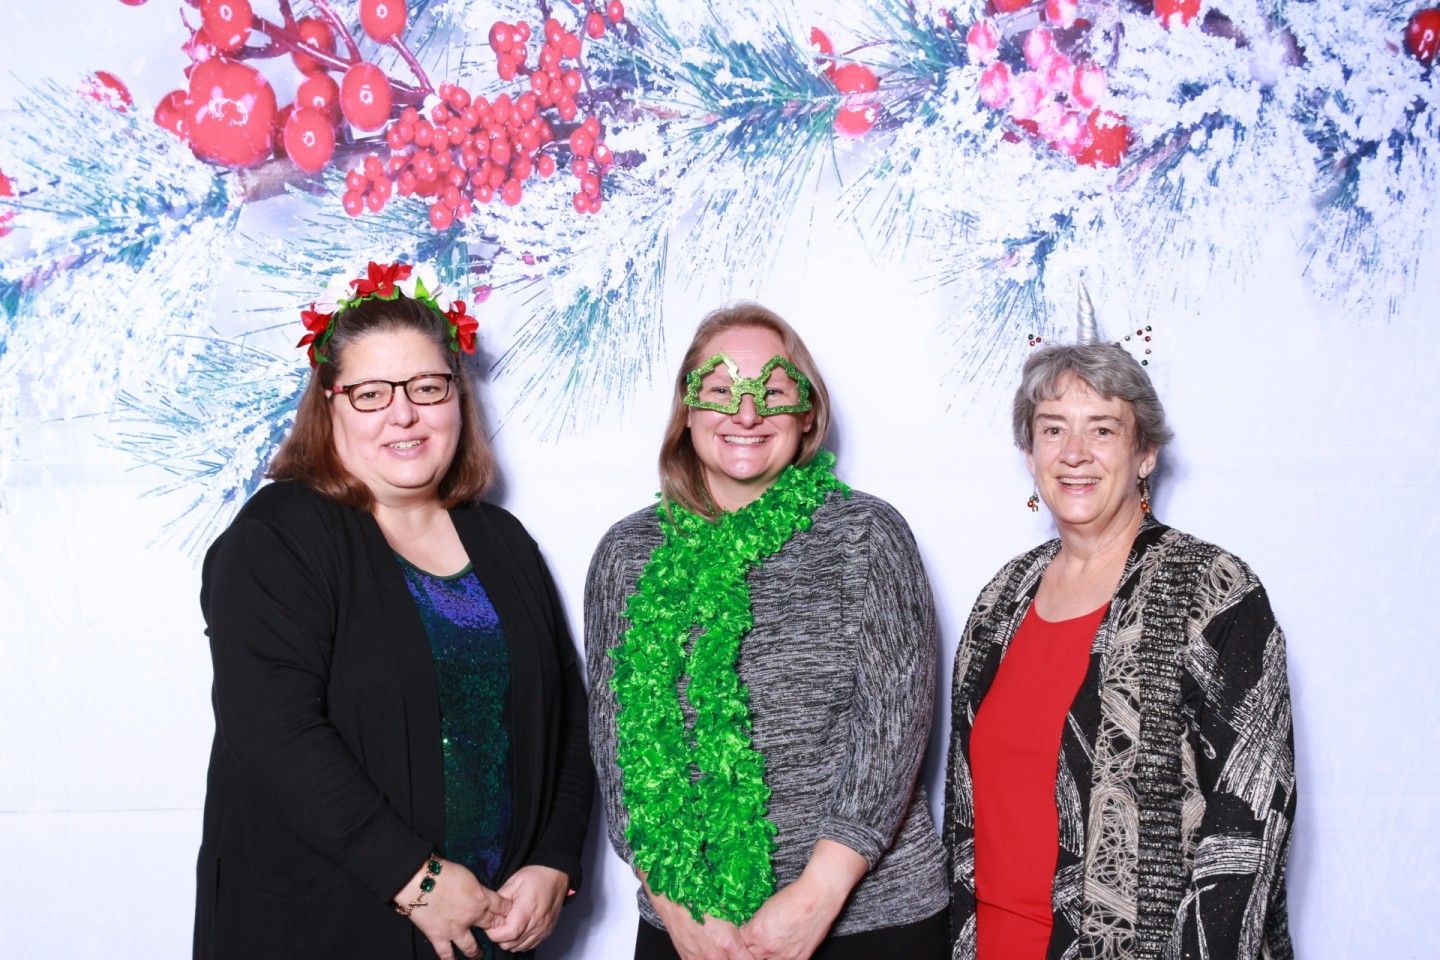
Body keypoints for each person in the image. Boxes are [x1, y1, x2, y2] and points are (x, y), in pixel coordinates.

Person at [193, 261, 593, 960]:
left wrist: (554, 861)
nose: (403, 414)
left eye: (427, 388)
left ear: (456, 399)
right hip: (324, 931)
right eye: (371, 393)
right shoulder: (280, 535)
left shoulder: (501, 541)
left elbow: (568, 719)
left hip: (491, 935)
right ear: (330, 403)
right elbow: (274, 730)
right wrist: (414, 878)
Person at [586, 303, 949, 960]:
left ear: (808, 412)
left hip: (868, 921)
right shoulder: (626, 552)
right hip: (690, 922)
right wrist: (683, 912)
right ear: (687, 412)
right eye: (720, 392)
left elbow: (894, 728)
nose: (746, 414)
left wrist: (815, 898)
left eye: (772, 392)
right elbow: (616, 752)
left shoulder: (868, 534)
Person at [943, 305, 1297, 960]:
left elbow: (1251, 827)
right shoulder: (1000, 602)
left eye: (1102, 430)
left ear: (1145, 454)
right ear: (1029, 454)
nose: (1074, 454)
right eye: (1053, 431)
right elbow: (963, 817)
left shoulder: (1213, 590)